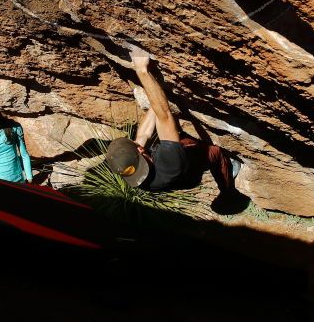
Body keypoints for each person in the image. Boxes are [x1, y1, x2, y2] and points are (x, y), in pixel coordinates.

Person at [105, 46, 248, 213]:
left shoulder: (137, 177)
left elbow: (144, 134)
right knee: (215, 152)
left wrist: (155, 94)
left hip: (181, 176)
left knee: (176, 137)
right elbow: (164, 114)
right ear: (140, 151)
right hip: (188, 171)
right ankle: (228, 191)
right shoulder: (169, 161)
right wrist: (142, 70)